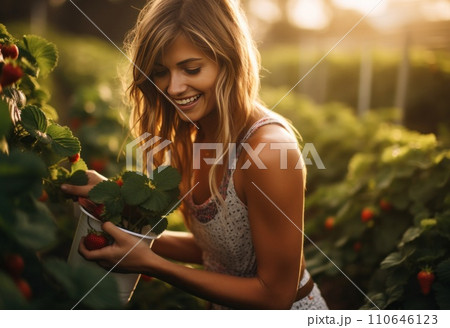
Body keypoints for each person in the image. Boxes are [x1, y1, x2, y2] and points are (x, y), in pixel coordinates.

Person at [62, 0, 328, 310]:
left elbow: (275, 296)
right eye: (161, 72)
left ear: (229, 59)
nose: (173, 88)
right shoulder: (191, 132)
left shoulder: (269, 152)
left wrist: (152, 263)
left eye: (191, 69)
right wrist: (116, 203)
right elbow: (217, 249)